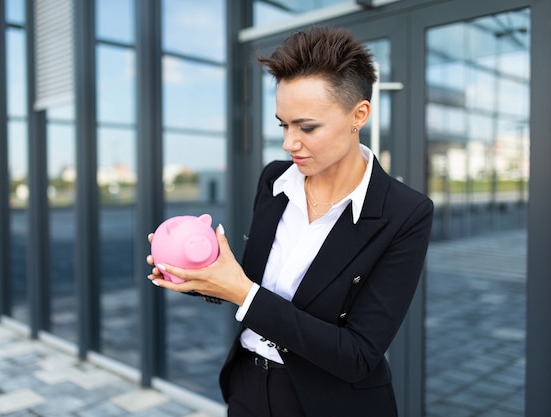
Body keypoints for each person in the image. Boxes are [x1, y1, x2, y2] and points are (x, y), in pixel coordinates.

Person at [147, 26, 433, 417]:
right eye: (283, 124)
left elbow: (358, 354)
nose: (289, 143)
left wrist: (242, 293)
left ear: (359, 114)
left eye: (307, 127)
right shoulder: (274, 180)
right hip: (247, 387)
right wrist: (196, 274)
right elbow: (251, 280)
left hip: (331, 404)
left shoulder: (405, 213)